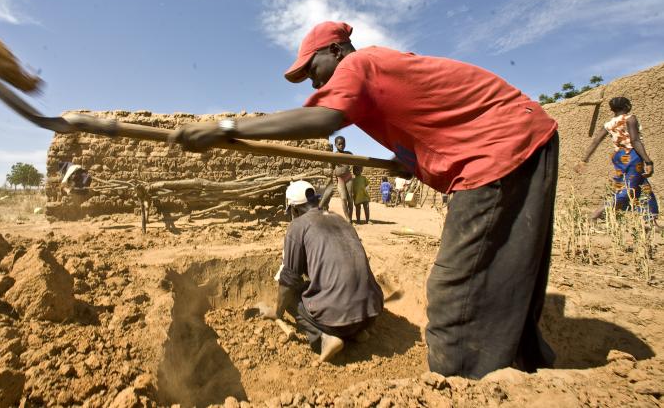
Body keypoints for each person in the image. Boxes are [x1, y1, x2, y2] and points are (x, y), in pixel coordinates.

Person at [169, 21, 559, 378]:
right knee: (510, 273)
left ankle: (458, 384)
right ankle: (524, 366)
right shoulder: (382, 74)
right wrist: (407, 160)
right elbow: (429, 122)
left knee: (453, 291)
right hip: (525, 134)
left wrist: (226, 127)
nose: (312, 82)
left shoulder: (361, 65)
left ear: (337, 50)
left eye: (312, 69)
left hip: (498, 150)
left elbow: (322, 117)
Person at [263, 180, 383, 363]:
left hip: (337, 319)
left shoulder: (298, 226)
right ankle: (357, 332)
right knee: (321, 289)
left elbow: (289, 280)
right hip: (371, 314)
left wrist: (277, 312)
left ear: (294, 210)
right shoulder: (339, 219)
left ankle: (324, 337)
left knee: (289, 297)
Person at [576, 96, 658, 221]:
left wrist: (584, 159)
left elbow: (596, 141)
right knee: (628, 190)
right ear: (627, 106)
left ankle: (651, 222)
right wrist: (648, 161)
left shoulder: (609, 124)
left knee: (644, 188)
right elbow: (635, 141)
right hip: (632, 155)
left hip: (619, 156)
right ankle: (596, 214)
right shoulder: (630, 118)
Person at [318, 135, 354, 221]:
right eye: (339, 144)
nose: (341, 146)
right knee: (343, 198)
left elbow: (354, 162)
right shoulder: (334, 156)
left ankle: (350, 217)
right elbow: (333, 167)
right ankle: (347, 218)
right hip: (340, 179)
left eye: (343, 144)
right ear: (335, 145)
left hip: (348, 178)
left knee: (350, 198)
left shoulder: (348, 154)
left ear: (345, 144)